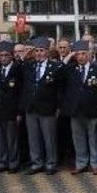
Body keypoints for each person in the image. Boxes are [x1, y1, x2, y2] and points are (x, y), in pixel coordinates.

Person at [65, 41, 97, 175]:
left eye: (83, 54)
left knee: (94, 138)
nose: (81, 57)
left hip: (93, 110)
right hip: (76, 111)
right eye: (78, 54)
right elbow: (59, 72)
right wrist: (68, 58)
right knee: (78, 139)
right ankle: (81, 163)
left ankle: (96, 164)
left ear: (89, 54)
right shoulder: (71, 69)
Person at [21, 37, 63, 175]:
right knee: (33, 138)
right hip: (31, 108)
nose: (39, 53)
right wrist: (25, 57)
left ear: (47, 52)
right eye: (37, 51)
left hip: (47, 108)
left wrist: (58, 107)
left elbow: (60, 89)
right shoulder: (28, 66)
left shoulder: (55, 67)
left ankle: (51, 163)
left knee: (49, 138)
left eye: (42, 51)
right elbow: (17, 69)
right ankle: (36, 162)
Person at [0, 41, 22, 173]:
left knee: (11, 138)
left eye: (6, 55)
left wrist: (19, 111)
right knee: (0, 138)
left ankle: (13, 162)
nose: (3, 58)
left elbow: (21, 92)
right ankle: (3, 161)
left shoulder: (17, 69)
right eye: (1, 55)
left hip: (11, 110)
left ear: (12, 56)